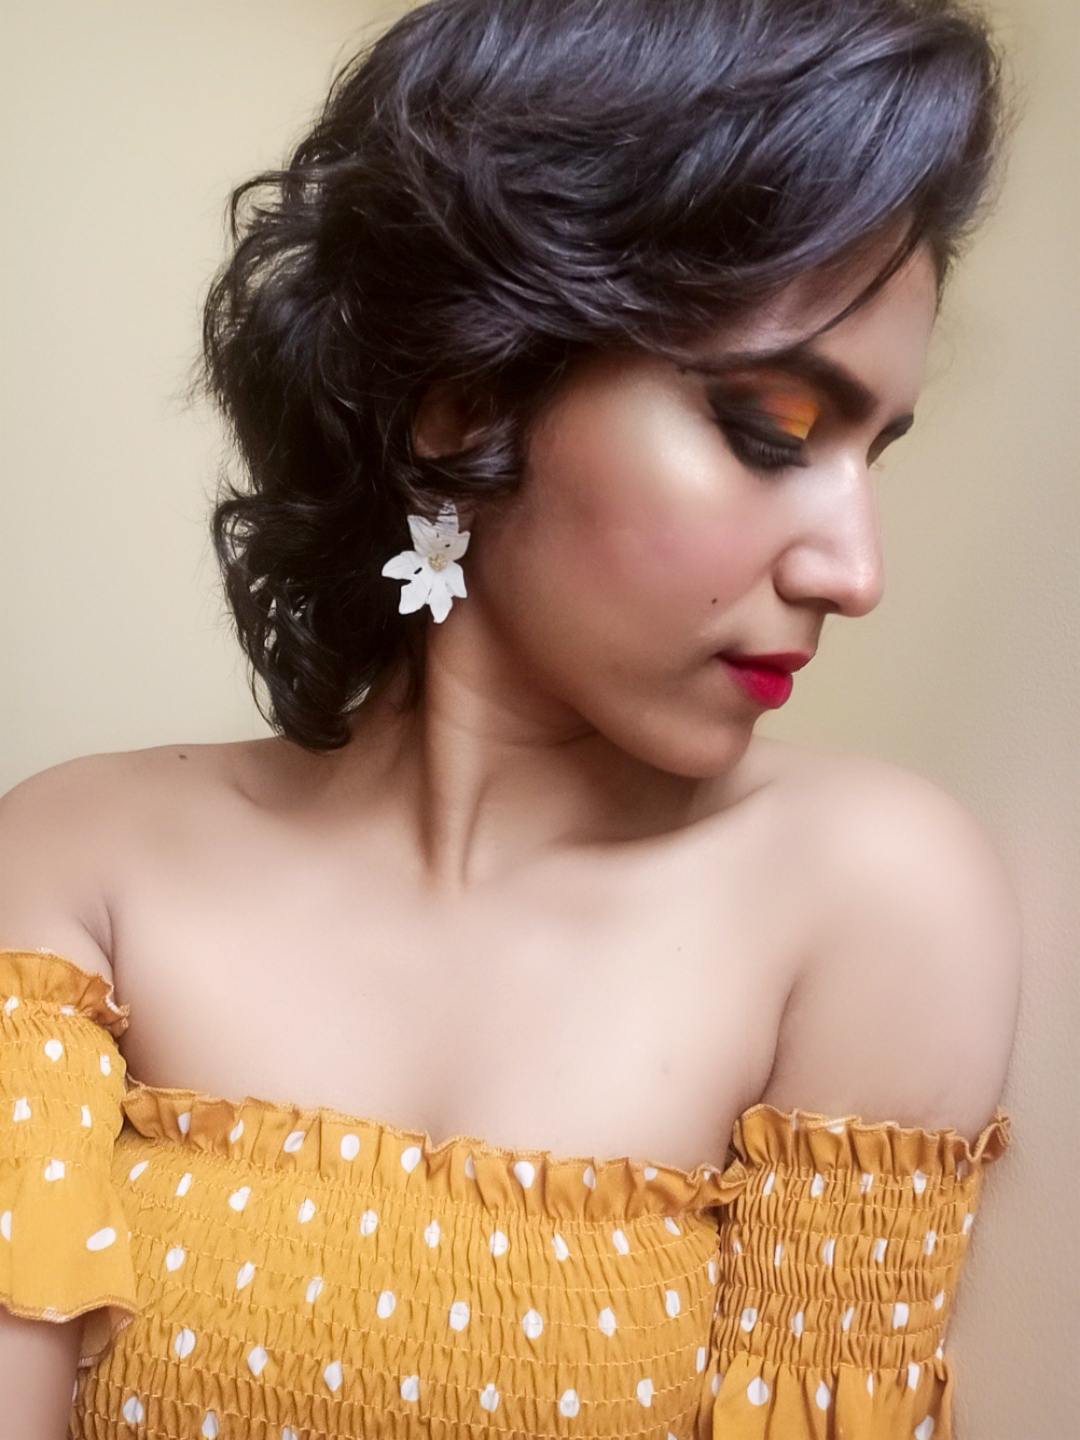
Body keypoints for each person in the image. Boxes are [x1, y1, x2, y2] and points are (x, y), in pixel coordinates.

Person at [0, 0, 1022, 1436]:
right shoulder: (76, 866)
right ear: (464, 401)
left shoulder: (872, 903)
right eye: (774, 431)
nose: (855, 573)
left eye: (874, 454)